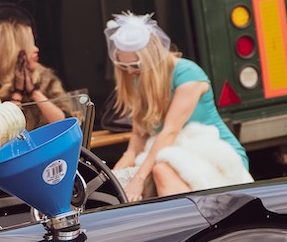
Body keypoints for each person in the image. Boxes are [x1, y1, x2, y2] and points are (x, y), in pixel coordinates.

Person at [105, 11, 252, 201]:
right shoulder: (139, 79)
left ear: (151, 57)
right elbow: (136, 141)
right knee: (144, 176)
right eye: (124, 67)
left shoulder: (187, 74)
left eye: (136, 65)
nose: (131, 72)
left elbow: (169, 132)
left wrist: (139, 178)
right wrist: (114, 179)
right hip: (175, 155)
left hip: (218, 157)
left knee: (161, 170)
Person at [0, 16, 68, 129]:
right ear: (13, 50)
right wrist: (17, 94)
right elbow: (3, 133)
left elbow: (64, 123)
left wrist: (34, 92)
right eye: (29, 45)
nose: (36, 49)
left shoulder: (44, 78)